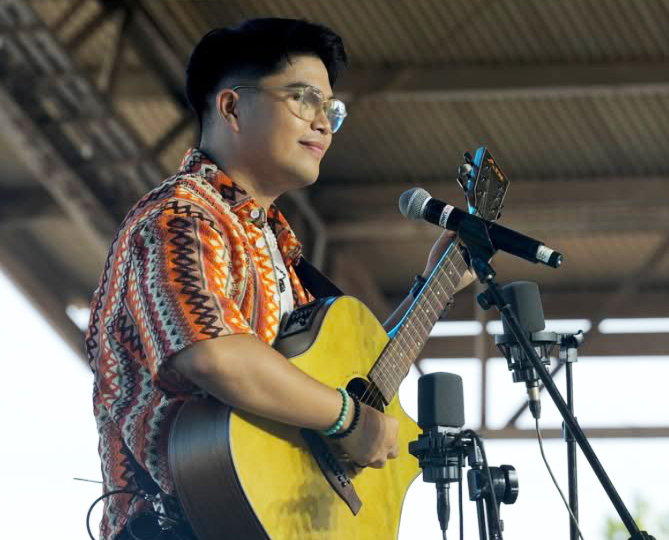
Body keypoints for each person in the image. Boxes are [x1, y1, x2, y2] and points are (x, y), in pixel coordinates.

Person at [85, 18, 470, 540]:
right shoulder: (179, 219)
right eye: (304, 99)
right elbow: (213, 353)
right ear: (232, 108)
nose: (324, 123)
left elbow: (347, 377)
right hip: (178, 526)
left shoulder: (278, 251)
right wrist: (347, 419)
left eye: (331, 109)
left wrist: (432, 287)